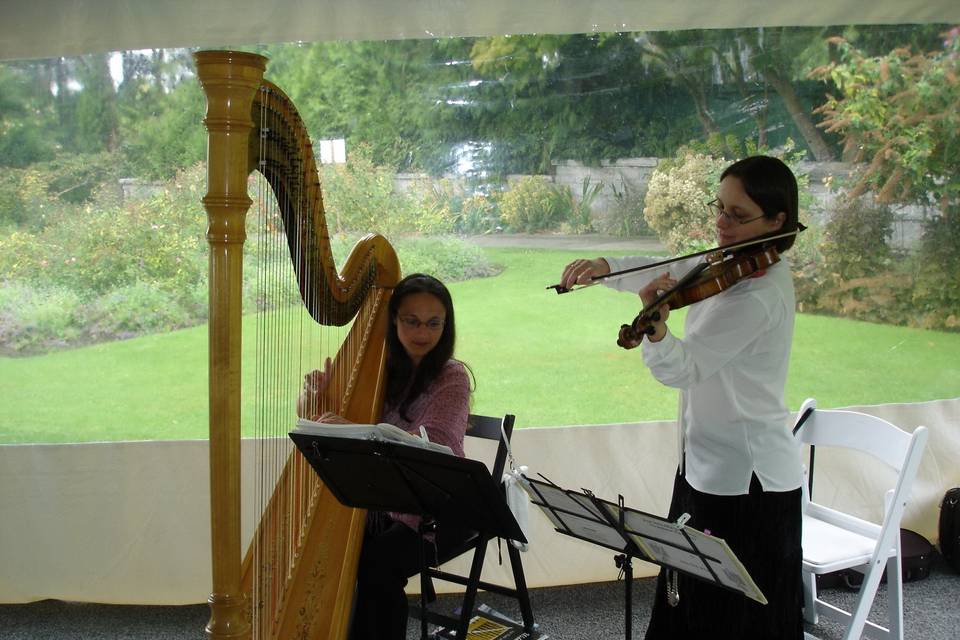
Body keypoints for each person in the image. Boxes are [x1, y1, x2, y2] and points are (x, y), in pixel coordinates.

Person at [559, 155, 804, 639]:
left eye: (738, 215)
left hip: (746, 480)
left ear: (777, 221)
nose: (721, 223)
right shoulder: (730, 264)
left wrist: (655, 332)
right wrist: (605, 268)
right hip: (703, 462)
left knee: (734, 619)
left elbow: (685, 369)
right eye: (720, 208)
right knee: (687, 598)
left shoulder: (758, 295)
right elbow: (674, 269)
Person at [298, 272, 474, 640]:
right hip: (390, 502)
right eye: (411, 321)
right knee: (332, 554)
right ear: (392, 320)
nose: (422, 333)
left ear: (446, 325)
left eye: (433, 323)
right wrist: (317, 398)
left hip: (442, 507)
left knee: (376, 565)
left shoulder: (451, 377)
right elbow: (318, 426)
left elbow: (430, 441)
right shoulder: (378, 371)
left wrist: (353, 428)